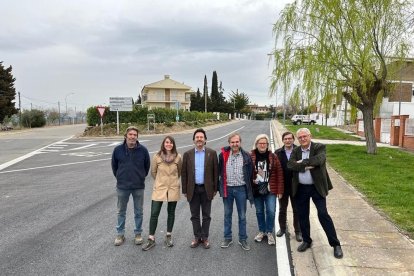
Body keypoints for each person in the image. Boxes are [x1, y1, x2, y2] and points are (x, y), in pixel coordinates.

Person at [287, 128, 343, 259]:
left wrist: (302, 163)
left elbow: (319, 160)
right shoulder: (296, 150)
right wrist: (306, 165)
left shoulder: (319, 147)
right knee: (303, 216)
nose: (302, 139)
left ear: (310, 136)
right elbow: (290, 165)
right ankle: (307, 240)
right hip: (301, 188)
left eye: (304, 136)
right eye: (300, 137)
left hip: (316, 187)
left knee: (323, 214)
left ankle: (335, 244)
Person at [111, 126, 150, 246]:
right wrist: (120, 177)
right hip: (122, 187)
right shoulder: (117, 150)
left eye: (135, 135)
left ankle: (138, 234)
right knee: (121, 211)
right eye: (130, 134)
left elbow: (147, 167)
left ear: (137, 137)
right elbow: (114, 167)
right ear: (125, 136)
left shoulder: (143, 150)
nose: (132, 137)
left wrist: (141, 177)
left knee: (139, 212)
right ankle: (120, 234)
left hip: (138, 186)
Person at [142, 136, 182, 251]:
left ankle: (168, 235)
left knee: (171, 213)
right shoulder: (157, 156)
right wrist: (161, 181)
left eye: (171, 143)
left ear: (173, 144)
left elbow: (179, 172)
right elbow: (153, 172)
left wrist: (172, 182)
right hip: (159, 188)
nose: (169, 144)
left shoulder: (178, 157)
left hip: (173, 188)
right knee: (154, 213)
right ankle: (151, 238)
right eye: (167, 142)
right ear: (163, 144)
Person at [181, 128, 218, 249]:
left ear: (205, 140)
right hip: (193, 189)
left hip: (207, 189)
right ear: (193, 140)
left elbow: (215, 172)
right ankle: (197, 237)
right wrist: (185, 190)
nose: (199, 139)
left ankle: (205, 237)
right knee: (194, 215)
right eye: (197, 137)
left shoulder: (212, 153)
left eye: (201, 137)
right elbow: (184, 174)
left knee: (207, 215)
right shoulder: (188, 154)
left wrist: (215, 189)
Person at [218, 133, 254, 251]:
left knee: (242, 216)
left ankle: (242, 238)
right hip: (227, 189)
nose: (235, 144)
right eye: (232, 142)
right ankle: (227, 237)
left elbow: (251, 173)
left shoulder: (246, 156)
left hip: (241, 189)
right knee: (227, 215)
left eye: (237, 142)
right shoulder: (223, 155)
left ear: (240, 142)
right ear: (229, 143)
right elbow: (219, 172)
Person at [250, 134, 284, 246]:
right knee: (259, 212)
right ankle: (261, 231)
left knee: (270, 211)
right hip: (257, 189)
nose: (262, 145)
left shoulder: (273, 156)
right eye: (260, 143)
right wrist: (252, 181)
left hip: (270, 189)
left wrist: (280, 190)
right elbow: (247, 173)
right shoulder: (251, 156)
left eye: (264, 143)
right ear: (256, 144)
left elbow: (279, 173)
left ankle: (269, 232)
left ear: (267, 144)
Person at [275, 131, 302, 242]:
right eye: (285, 139)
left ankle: (298, 232)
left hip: (296, 186)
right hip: (283, 186)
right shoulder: (278, 152)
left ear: (293, 139)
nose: (287, 140)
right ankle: (282, 229)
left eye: (289, 138)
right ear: (282, 140)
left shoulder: (299, 151)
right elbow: (275, 170)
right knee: (282, 209)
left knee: (297, 210)